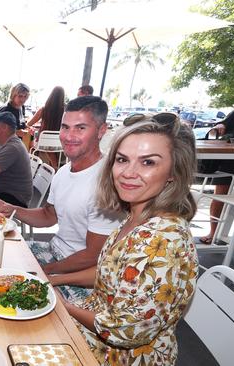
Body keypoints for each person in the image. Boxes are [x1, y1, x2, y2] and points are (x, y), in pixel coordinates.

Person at [50, 113, 198, 365]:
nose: (129, 173)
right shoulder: (136, 216)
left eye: (148, 162)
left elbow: (122, 332)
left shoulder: (161, 242)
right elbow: (110, 271)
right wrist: (54, 279)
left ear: (174, 171)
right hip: (95, 325)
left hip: (121, 355)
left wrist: (62, 306)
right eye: (122, 160)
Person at [0, 96, 121, 302]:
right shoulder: (64, 172)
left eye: (80, 128)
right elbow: (49, 216)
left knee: (10, 298)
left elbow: (94, 256)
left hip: (80, 274)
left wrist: (44, 269)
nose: (69, 136)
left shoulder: (107, 183)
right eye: (65, 127)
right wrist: (11, 208)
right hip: (53, 251)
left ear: (101, 131)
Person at [198, 98, 234, 244]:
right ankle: (214, 233)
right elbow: (225, 122)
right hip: (230, 158)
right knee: (219, 196)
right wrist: (220, 125)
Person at [27, 86, 66, 169]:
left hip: (43, 143)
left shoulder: (44, 109)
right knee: (49, 146)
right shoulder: (65, 111)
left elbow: (29, 124)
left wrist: (38, 126)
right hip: (59, 143)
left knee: (30, 143)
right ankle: (54, 167)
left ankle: (33, 167)